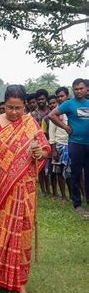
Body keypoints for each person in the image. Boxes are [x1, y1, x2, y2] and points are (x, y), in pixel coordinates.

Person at [0, 85, 50, 293]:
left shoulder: (30, 123)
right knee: (0, 231)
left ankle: (21, 285)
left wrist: (39, 152)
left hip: (25, 189)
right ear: (3, 104)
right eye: (9, 107)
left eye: (18, 108)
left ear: (25, 106)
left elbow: (45, 150)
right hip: (0, 188)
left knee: (22, 233)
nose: (14, 112)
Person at [48, 78, 89, 214]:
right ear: (73, 90)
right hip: (75, 143)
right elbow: (51, 115)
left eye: (81, 88)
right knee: (76, 174)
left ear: (86, 89)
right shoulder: (69, 104)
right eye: (76, 89)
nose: (79, 91)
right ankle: (77, 203)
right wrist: (65, 127)